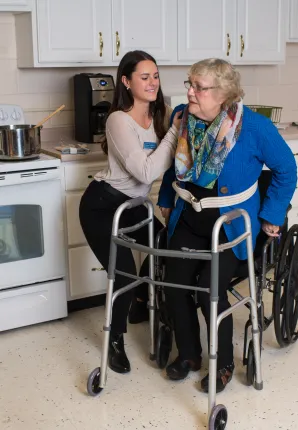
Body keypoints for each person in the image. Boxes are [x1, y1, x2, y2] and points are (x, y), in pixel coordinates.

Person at [158, 58, 297, 393]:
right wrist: (166, 195)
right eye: (189, 83)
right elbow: (175, 165)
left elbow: (286, 171)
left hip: (233, 227)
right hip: (189, 219)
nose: (189, 91)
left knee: (210, 289)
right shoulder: (183, 115)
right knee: (174, 282)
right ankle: (190, 354)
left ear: (223, 94)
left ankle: (222, 364)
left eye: (199, 87)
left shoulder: (254, 127)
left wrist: (272, 215)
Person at [79, 50, 181, 374]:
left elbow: (171, 165)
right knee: (123, 271)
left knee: (168, 245)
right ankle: (115, 340)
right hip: (103, 206)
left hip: (134, 206)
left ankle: (140, 304)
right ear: (126, 81)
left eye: (155, 76)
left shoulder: (161, 114)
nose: (152, 83)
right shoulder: (118, 120)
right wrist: (176, 133)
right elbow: (146, 172)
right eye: (144, 77)